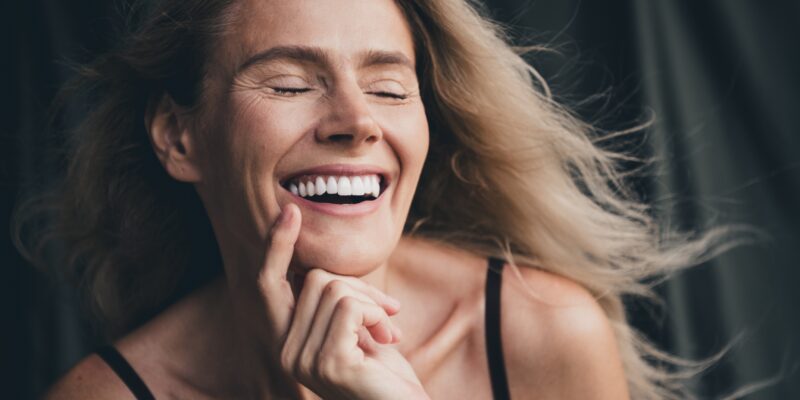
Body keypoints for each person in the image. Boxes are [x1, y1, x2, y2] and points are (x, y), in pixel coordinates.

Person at [21, 0, 724, 399]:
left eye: (389, 88)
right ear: (180, 138)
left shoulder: (542, 338)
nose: (357, 121)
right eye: (292, 83)